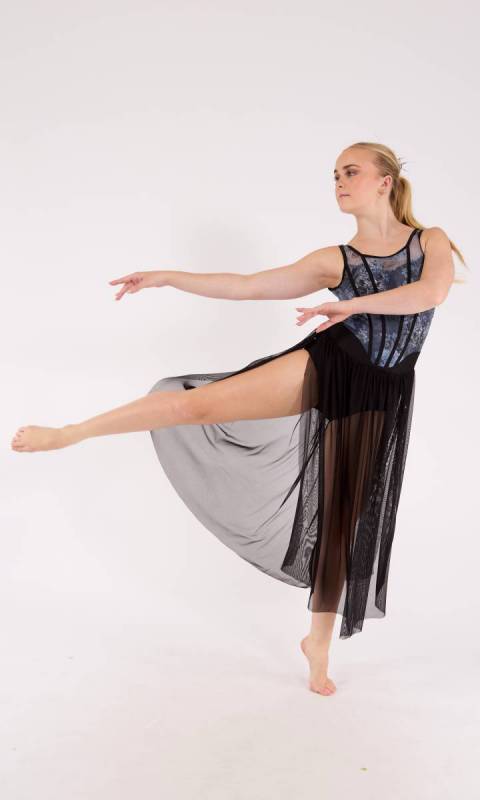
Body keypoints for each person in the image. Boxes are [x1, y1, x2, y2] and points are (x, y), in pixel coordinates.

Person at [11, 141, 462, 696]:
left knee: (342, 517)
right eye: (334, 175)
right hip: (333, 364)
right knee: (196, 405)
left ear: (385, 182)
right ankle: (69, 433)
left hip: (383, 388)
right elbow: (248, 286)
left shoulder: (429, 241)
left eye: (351, 172)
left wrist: (350, 305)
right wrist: (171, 277)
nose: (340, 182)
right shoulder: (335, 260)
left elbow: (430, 292)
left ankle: (317, 643)